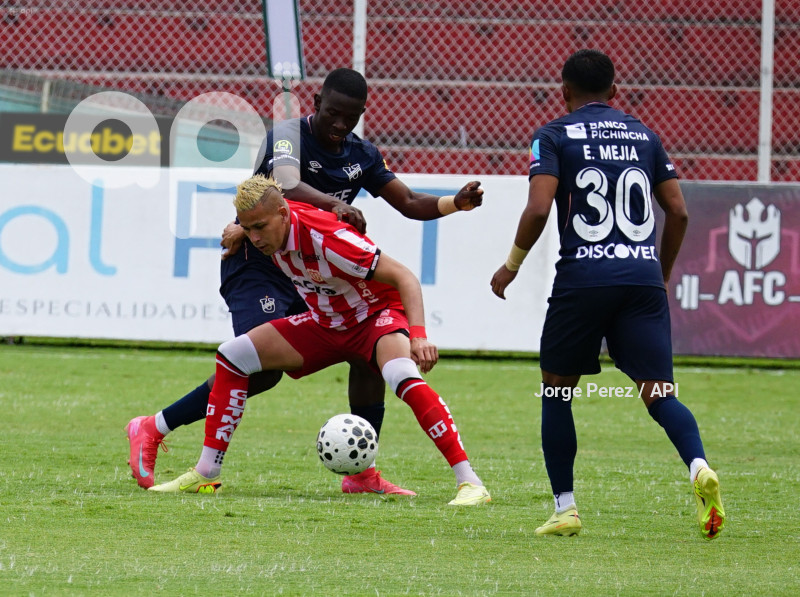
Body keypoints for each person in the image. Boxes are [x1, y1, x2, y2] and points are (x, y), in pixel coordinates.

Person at [126, 68, 484, 496]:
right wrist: (305, 214)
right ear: (315, 103)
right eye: (333, 113)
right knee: (258, 371)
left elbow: (407, 202)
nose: (339, 125)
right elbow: (288, 186)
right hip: (260, 263)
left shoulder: (362, 155)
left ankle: (362, 473)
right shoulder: (289, 136)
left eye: (349, 118)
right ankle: (154, 427)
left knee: (365, 353)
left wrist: (453, 203)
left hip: (315, 266)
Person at [490, 49, 724, 539]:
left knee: (556, 390)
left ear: (563, 91)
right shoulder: (645, 135)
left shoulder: (553, 134)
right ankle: (698, 465)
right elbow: (677, 212)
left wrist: (510, 267)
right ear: (615, 92)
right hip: (641, 280)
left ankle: (566, 508)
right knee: (659, 393)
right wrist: (659, 274)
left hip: (583, 280)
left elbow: (537, 210)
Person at [149, 175, 491, 506]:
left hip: (374, 316)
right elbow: (274, 210)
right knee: (233, 354)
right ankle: (206, 473)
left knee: (401, 374)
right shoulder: (273, 223)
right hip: (326, 322)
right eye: (247, 228)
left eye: (259, 227)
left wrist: (418, 336)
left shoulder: (329, 238)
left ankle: (470, 482)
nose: (254, 238)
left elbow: (404, 277)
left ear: (282, 216)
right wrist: (243, 227)